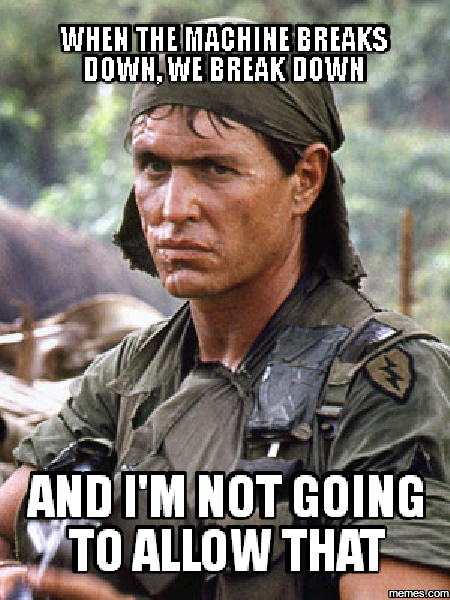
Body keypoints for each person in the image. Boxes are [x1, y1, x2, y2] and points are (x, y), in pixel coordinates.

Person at [1, 17, 450, 600]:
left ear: (305, 179)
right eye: (154, 166)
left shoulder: (386, 383)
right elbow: (10, 522)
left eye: (216, 168)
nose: (172, 208)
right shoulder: (134, 372)